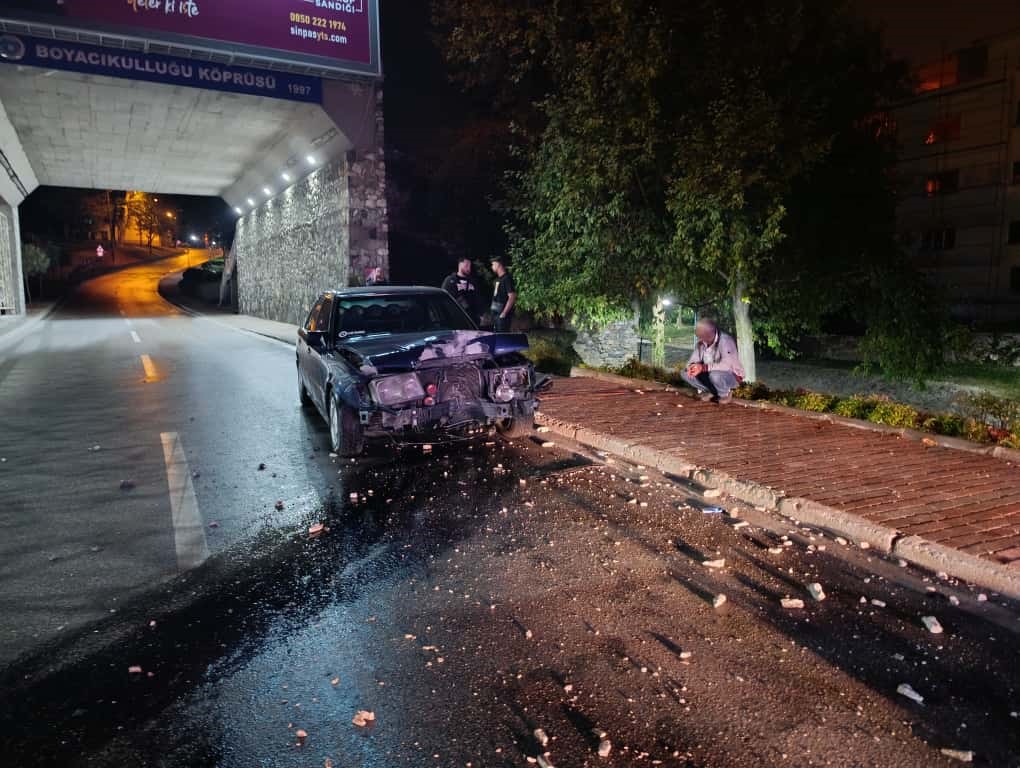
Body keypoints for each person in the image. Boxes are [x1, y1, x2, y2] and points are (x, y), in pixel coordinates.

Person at [681, 318, 745, 404]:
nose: (698, 338)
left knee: (715, 375)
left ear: (709, 333)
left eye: (700, 335)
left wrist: (703, 367)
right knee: (685, 373)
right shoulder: (701, 343)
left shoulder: (725, 341)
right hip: (709, 374)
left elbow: (726, 365)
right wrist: (691, 367)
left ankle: (725, 394)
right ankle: (711, 392)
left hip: (731, 376)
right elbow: (693, 360)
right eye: (698, 335)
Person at [441, 258, 481, 323]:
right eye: (466, 265)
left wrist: (481, 313)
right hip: (456, 318)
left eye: (470, 266)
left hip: (473, 319)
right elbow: (444, 299)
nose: (469, 268)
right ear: (460, 265)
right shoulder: (450, 280)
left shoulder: (472, 282)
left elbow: (478, 298)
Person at [489, 257, 517, 332]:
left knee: (502, 337)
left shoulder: (507, 279)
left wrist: (504, 313)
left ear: (498, 264)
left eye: (493, 264)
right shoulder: (498, 279)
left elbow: (512, 296)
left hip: (502, 316)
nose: (492, 267)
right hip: (496, 314)